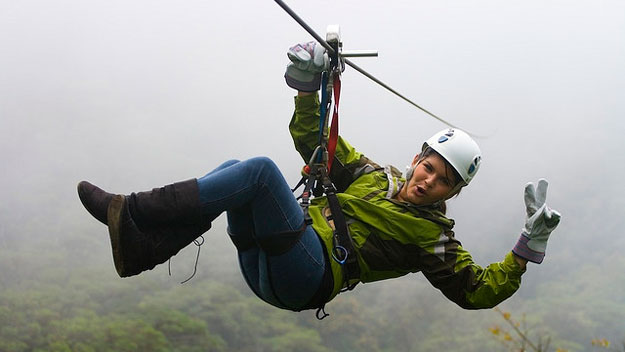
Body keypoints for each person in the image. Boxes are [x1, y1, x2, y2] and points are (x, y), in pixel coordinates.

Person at [77, 41, 561, 314]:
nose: (428, 181)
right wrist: (309, 90)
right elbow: (319, 144)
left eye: (442, 182)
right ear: (417, 158)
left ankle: (133, 211)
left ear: (453, 193)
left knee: (261, 173)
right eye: (428, 167)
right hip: (267, 265)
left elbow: (477, 290)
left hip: (308, 275)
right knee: (233, 169)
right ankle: (145, 246)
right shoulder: (371, 175)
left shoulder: (433, 239)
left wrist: (525, 249)